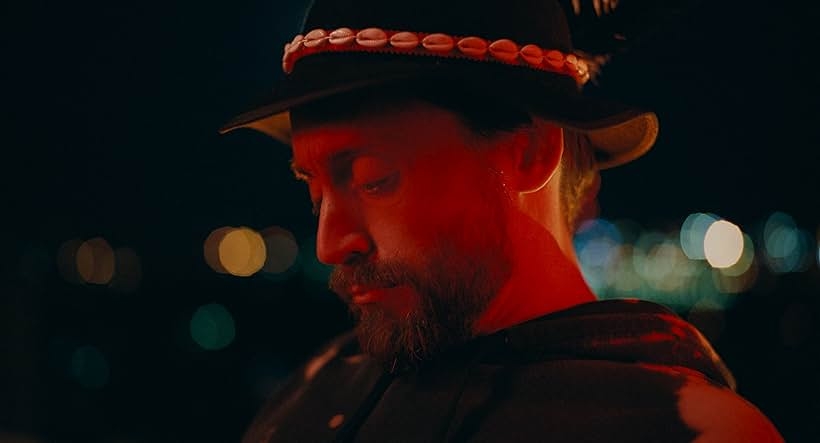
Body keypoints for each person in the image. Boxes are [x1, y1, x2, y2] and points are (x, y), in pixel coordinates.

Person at [220, 0, 784, 441]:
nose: (328, 244)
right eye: (314, 191)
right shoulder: (315, 389)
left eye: (374, 179)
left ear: (530, 152)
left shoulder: (681, 428)